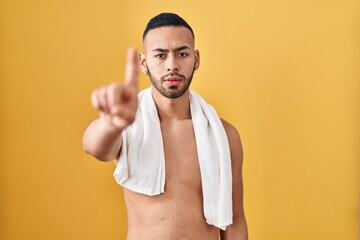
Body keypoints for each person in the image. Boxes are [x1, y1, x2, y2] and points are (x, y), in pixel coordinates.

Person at [82, 13, 248, 240]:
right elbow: (94, 146)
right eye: (160, 55)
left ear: (196, 59)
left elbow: (235, 221)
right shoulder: (130, 126)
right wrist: (112, 124)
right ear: (143, 62)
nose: (172, 65)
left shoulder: (224, 135)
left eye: (182, 54)